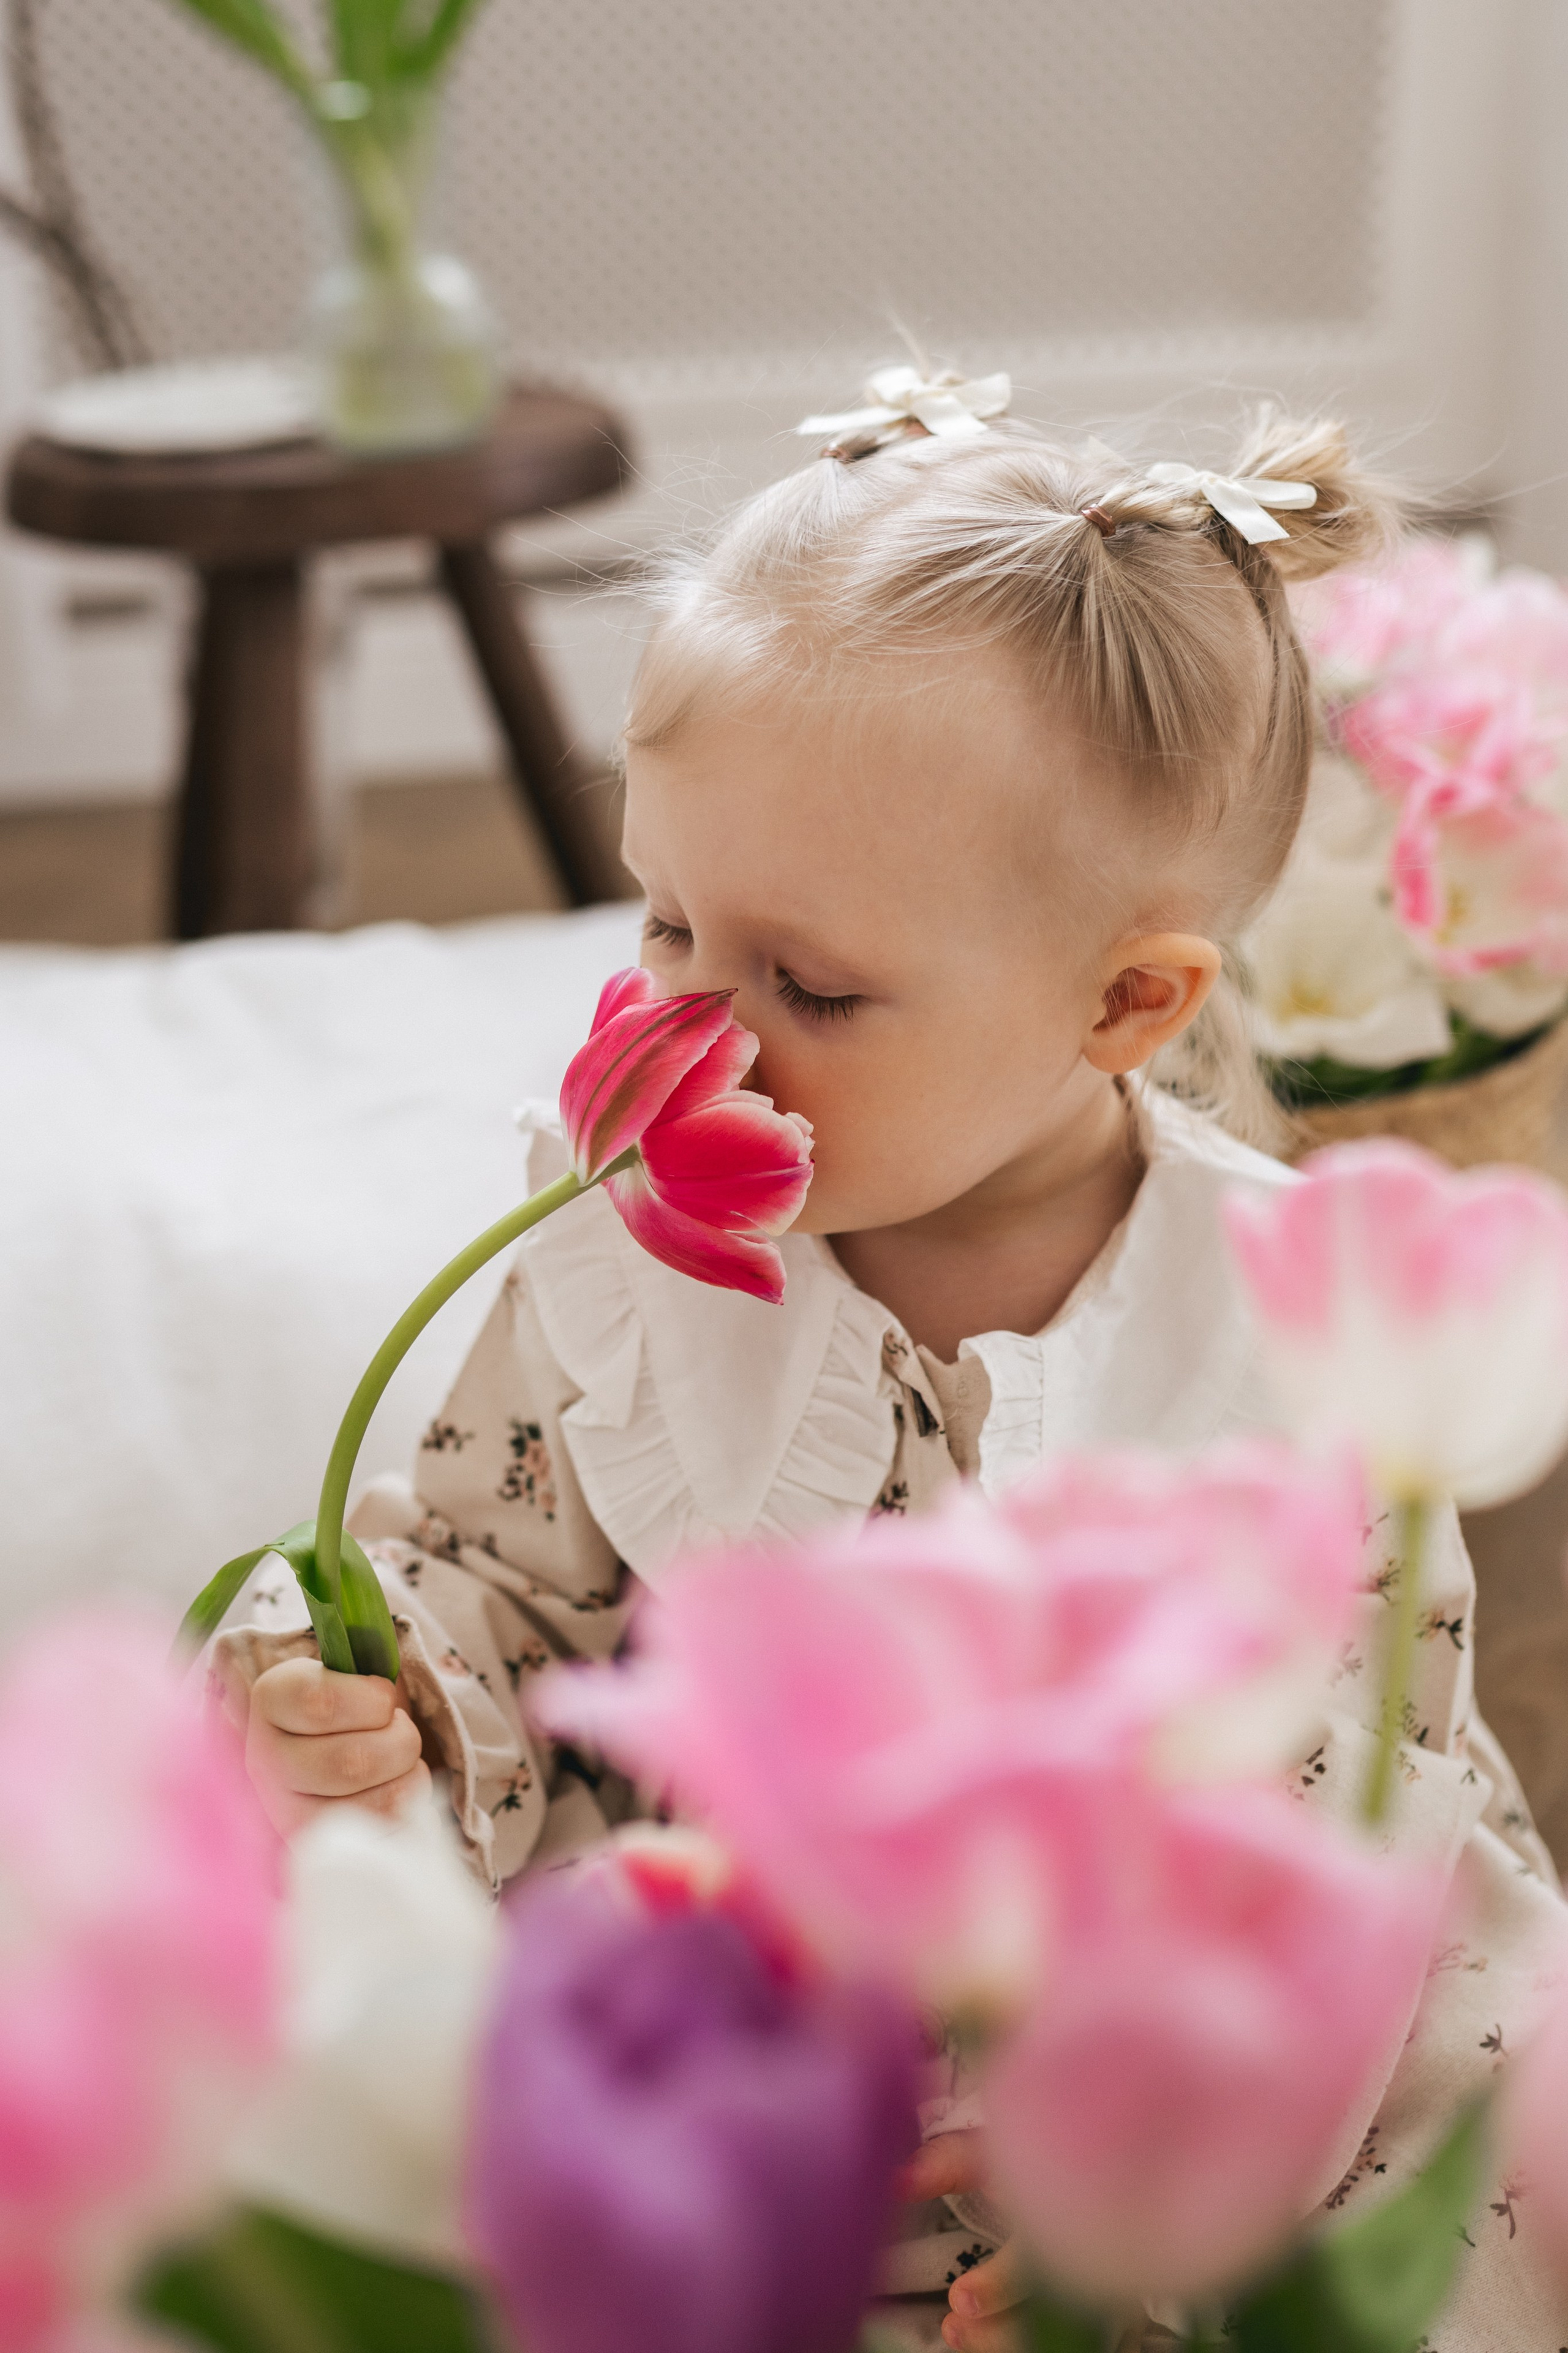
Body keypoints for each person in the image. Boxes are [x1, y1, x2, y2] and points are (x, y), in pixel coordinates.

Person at [213, 377, 1567, 2351]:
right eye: (664, 918)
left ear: (1128, 999)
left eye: (813, 987)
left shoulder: (1274, 1316)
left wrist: (1158, 2200)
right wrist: (384, 1697)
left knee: (1486, 2077)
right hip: (741, 1984)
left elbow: (1357, 1792)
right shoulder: (617, 1236)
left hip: (1190, 2006)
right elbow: (498, 1574)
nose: (692, 1030)